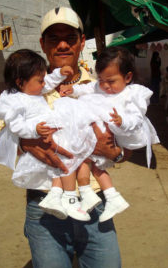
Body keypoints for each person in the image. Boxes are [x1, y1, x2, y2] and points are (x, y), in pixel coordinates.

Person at [0, 7, 128, 268]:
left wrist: (116, 153)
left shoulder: (102, 85)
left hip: (96, 202)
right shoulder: (22, 91)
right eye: (54, 38)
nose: (63, 44)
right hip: (45, 206)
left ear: (81, 41)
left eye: (70, 37)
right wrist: (24, 142)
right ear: (43, 44)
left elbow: (126, 142)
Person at [60, 46, 159, 220]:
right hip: (105, 132)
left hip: (122, 132)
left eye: (111, 81)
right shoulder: (99, 85)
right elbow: (89, 88)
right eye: (101, 79)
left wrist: (122, 121)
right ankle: (111, 197)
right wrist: (74, 90)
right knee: (93, 166)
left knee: (91, 163)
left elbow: (137, 118)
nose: (104, 86)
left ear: (128, 77)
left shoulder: (133, 95)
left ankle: (92, 195)